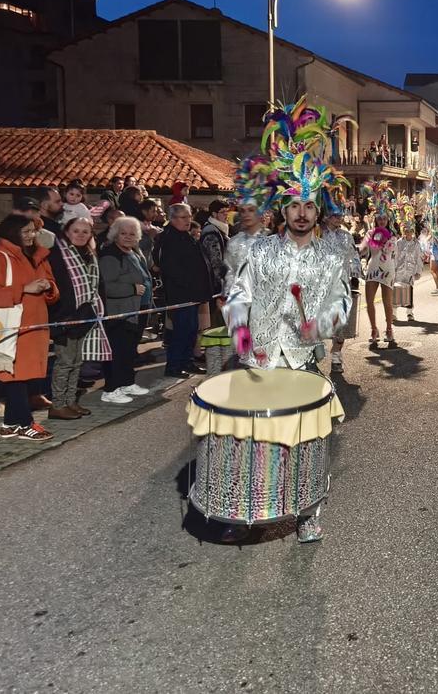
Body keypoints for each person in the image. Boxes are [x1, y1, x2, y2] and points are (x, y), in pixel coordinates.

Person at [224, 101, 353, 544]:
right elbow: (238, 296)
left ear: (318, 212)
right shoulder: (258, 251)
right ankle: (248, 507)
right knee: (254, 439)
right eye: (294, 205)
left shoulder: (330, 258)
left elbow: (341, 302)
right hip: (259, 360)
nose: (301, 213)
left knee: (307, 442)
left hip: (302, 361)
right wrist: (242, 336)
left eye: (309, 206)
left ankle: (307, 513)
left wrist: (320, 326)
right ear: (283, 210)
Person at [0, 215, 59, 441]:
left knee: (22, 377)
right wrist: (24, 289)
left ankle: (10, 423)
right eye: (26, 232)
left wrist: (49, 287)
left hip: (34, 327)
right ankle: (25, 424)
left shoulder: (38, 255)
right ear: (12, 232)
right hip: (13, 328)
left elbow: (52, 290)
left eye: (33, 231)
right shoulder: (0, 255)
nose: (32, 235)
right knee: (16, 377)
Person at [47, 216, 112, 418]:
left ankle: (70, 402)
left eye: (86, 231)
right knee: (64, 362)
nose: (81, 235)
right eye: (76, 231)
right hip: (65, 317)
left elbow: (98, 285)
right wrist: (61, 316)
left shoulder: (89, 254)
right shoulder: (57, 254)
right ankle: (58, 405)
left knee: (76, 363)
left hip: (85, 314)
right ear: (67, 232)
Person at [154, 203, 212, 378]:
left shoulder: (185, 236)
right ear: (172, 219)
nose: (188, 220)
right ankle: (174, 366)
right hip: (181, 294)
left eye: (189, 216)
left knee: (191, 330)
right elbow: (170, 268)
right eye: (183, 217)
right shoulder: (168, 238)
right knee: (181, 332)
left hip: (193, 294)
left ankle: (187, 361)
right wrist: (190, 284)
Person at [99, 217, 153, 400]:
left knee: (129, 350)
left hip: (137, 309)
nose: (128, 237)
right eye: (123, 233)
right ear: (115, 234)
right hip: (119, 313)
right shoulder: (110, 255)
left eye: (132, 233)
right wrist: (131, 289)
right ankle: (111, 389)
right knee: (118, 351)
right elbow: (106, 287)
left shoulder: (134, 252)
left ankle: (127, 382)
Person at [322, 207, 361, 371]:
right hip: (321, 287)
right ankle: (312, 358)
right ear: (326, 217)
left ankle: (336, 357)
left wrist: (355, 276)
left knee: (341, 323)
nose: (338, 218)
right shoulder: (317, 235)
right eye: (334, 215)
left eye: (340, 215)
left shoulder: (346, 236)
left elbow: (354, 257)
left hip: (342, 285)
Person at [359, 183, 398, 347]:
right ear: (375, 219)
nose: (381, 221)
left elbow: (391, 251)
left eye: (384, 218)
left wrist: (384, 241)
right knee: (369, 301)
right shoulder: (369, 233)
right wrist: (357, 250)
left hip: (387, 269)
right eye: (379, 218)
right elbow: (363, 248)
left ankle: (389, 329)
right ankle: (374, 330)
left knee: (387, 302)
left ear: (388, 219)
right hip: (373, 268)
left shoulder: (393, 235)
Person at [394, 201, 424, 324]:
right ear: (403, 231)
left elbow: (419, 258)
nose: (408, 233)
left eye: (410, 231)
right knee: (396, 291)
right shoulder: (398, 243)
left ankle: (410, 313)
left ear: (413, 231)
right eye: (406, 231)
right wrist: (393, 270)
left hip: (410, 271)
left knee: (409, 292)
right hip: (399, 271)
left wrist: (418, 271)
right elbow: (395, 257)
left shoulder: (416, 244)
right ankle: (394, 313)